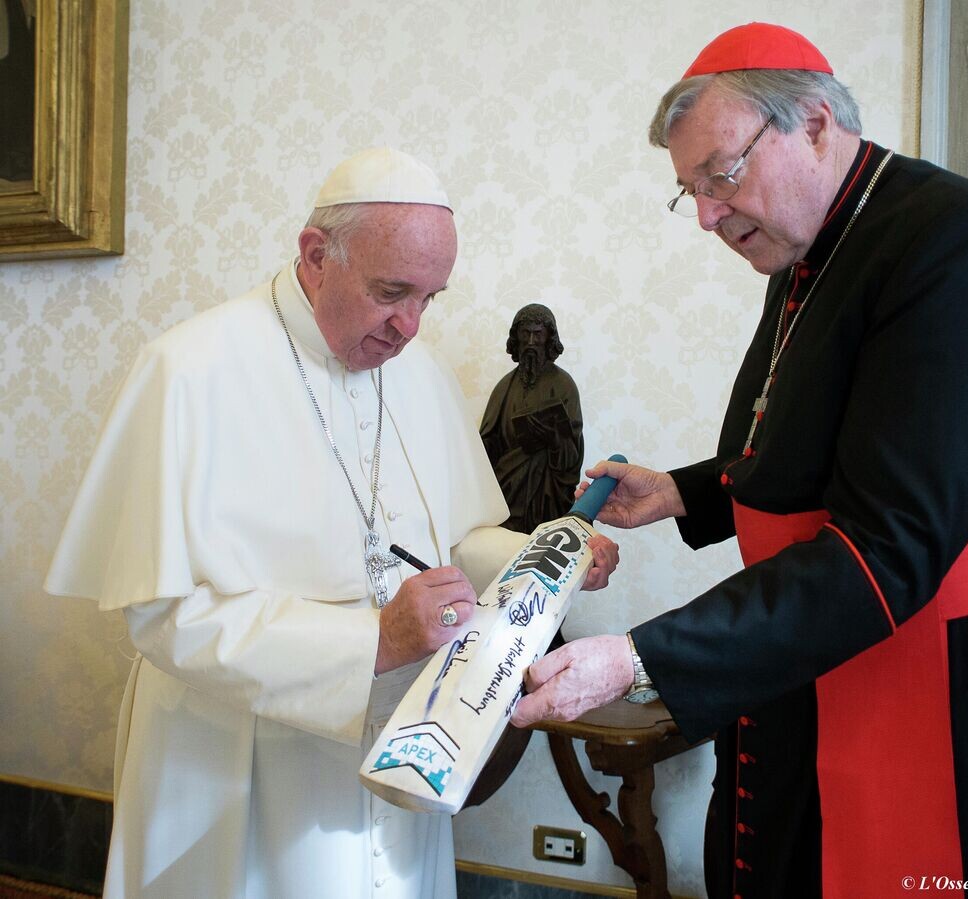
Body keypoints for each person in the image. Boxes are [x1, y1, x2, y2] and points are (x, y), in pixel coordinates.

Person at [510, 23, 968, 898]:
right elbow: (816, 443)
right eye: (691, 191)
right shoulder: (806, 252)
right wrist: (685, 492)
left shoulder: (960, 242)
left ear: (815, 123)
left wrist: (636, 658)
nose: (708, 214)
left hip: (944, 687)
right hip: (817, 654)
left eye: (721, 174)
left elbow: (892, 538)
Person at [44, 147, 617, 899]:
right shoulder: (190, 369)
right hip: (236, 757)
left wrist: (550, 553)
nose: (410, 326)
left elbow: (456, 540)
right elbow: (160, 613)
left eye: (430, 298)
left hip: (396, 740)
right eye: (391, 291)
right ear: (316, 256)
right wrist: (369, 641)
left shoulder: (417, 369)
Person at [480, 303, 584, 533]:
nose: (530, 341)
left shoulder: (564, 386)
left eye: (538, 334)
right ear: (516, 337)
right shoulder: (504, 387)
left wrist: (555, 439)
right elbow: (487, 445)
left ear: (549, 337)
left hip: (548, 497)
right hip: (506, 497)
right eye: (525, 333)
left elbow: (572, 454)